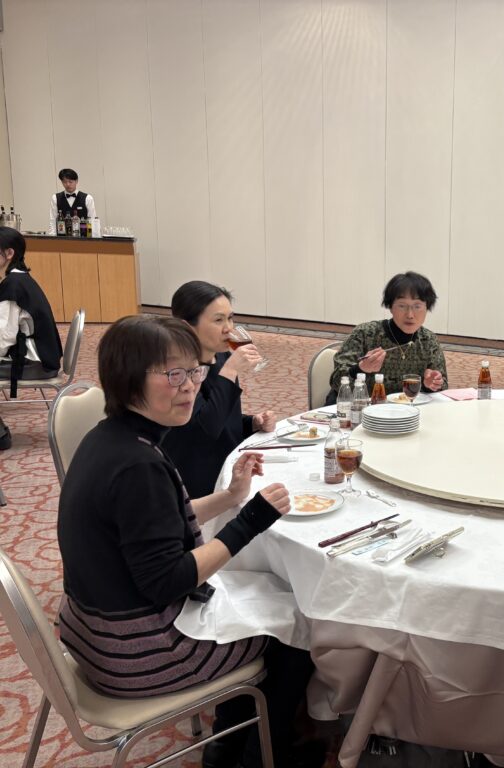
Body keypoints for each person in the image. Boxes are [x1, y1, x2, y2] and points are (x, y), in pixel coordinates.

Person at [56, 315, 320, 768]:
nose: (191, 386)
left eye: (195, 371)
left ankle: (226, 745)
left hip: (92, 631)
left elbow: (155, 526)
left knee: (265, 597)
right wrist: (249, 520)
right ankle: (261, 755)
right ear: (127, 378)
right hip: (136, 653)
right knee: (299, 625)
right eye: (173, 374)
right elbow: (168, 580)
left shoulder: (109, 438)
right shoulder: (138, 465)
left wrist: (230, 497)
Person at [162, 281, 275, 497]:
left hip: (229, 467)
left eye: (230, 318)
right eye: (218, 320)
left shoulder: (221, 356)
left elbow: (222, 417)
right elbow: (204, 432)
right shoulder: (177, 373)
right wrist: (230, 371)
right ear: (186, 327)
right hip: (195, 482)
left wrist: (251, 422)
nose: (229, 328)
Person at [328, 271, 448, 399]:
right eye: (402, 306)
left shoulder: (429, 341)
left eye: (417, 306)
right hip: (357, 406)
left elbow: (443, 386)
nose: (410, 315)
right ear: (390, 307)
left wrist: (431, 384)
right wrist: (361, 368)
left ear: (427, 308)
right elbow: (336, 380)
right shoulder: (365, 334)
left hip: (405, 408)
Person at [0, 226, 62, 450]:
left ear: (9, 253)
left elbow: (3, 340)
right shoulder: (21, 279)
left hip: (34, 364)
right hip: (42, 357)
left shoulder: (12, 285)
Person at [47, 168, 96, 234]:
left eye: (70, 182)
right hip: (62, 237)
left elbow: (93, 221)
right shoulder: (55, 198)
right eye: (64, 182)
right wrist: (52, 238)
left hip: (83, 236)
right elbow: (52, 221)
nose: (68, 184)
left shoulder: (88, 198)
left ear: (76, 181)